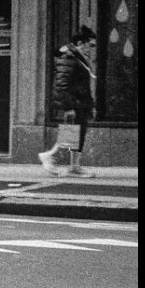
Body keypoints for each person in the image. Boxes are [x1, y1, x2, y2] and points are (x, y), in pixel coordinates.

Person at [38, 26, 98, 178]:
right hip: (75, 102)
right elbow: (62, 85)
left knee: (77, 134)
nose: (92, 49)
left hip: (80, 103)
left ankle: (75, 167)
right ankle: (50, 155)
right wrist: (69, 106)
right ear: (80, 43)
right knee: (70, 134)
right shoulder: (69, 58)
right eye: (90, 45)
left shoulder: (77, 58)